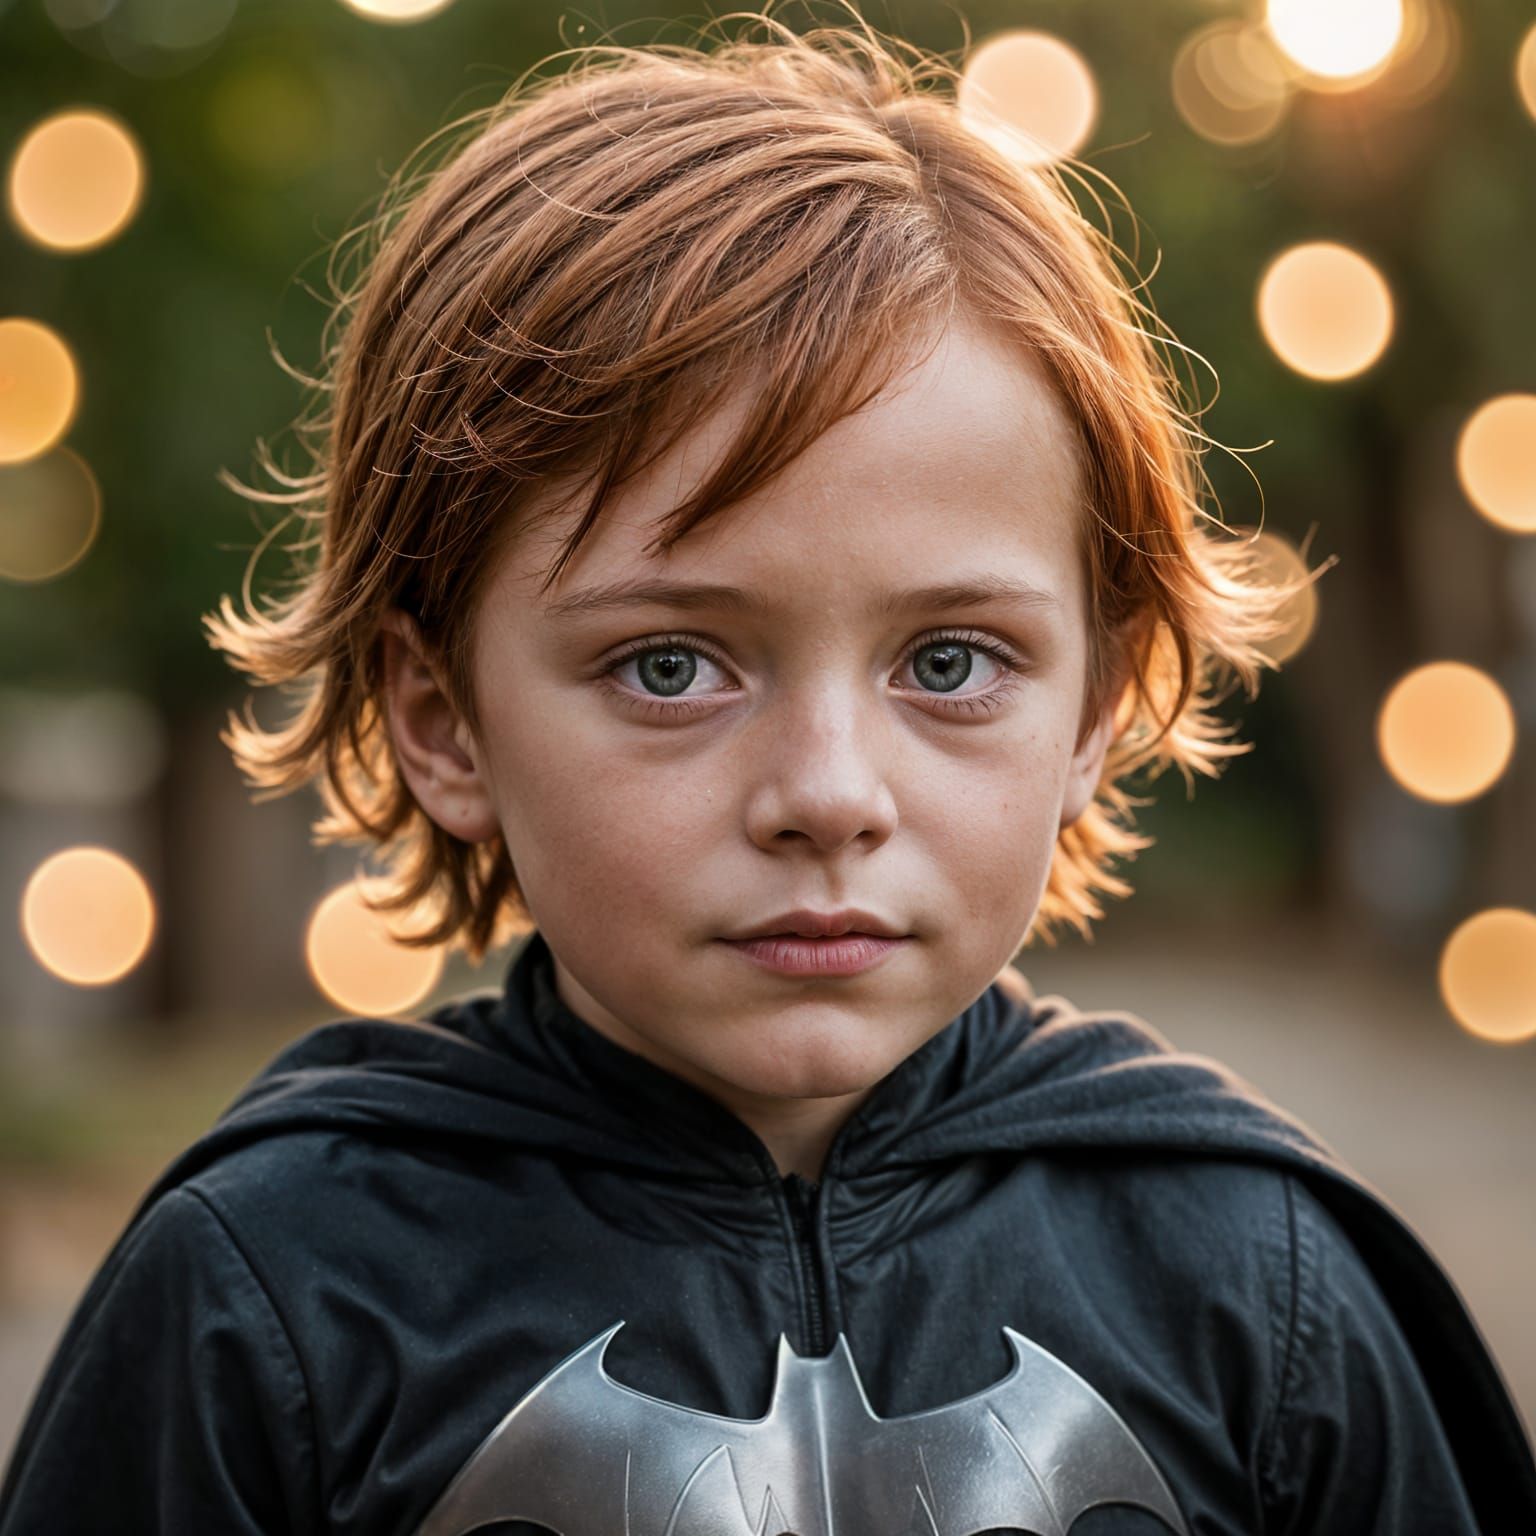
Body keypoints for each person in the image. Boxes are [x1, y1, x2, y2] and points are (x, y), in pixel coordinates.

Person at [3, 8, 1533, 1534]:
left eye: (949, 663)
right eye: (670, 666)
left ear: (1095, 707)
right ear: (442, 718)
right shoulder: (273, 1293)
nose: (829, 793)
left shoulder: (1256, 1282)